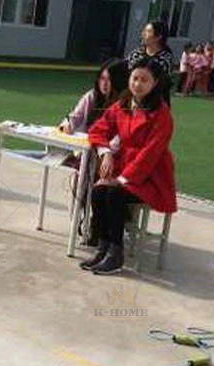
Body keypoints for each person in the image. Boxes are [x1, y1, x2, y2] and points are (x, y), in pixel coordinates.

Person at [81, 58, 177, 276]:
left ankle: (116, 254)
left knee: (113, 193)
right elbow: (98, 129)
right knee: (97, 191)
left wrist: (123, 178)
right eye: (135, 78)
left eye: (144, 80)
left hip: (150, 176)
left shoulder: (161, 114)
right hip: (124, 168)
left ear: (155, 83)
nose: (138, 84)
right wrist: (105, 153)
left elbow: (151, 154)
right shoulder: (123, 104)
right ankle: (103, 248)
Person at [59, 59, 130, 246]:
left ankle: (101, 226)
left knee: (96, 177)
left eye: (109, 79)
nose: (104, 84)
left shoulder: (125, 105)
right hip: (92, 153)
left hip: (117, 159)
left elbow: (121, 138)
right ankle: (88, 221)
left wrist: (105, 151)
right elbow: (75, 117)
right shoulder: (92, 96)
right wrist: (67, 124)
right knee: (83, 173)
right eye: (101, 79)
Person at [127, 21, 174, 106]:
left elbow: (162, 84)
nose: (143, 34)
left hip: (155, 103)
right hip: (134, 102)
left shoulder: (165, 59)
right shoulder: (135, 54)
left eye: (148, 31)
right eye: (144, 31)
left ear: (158, 37)